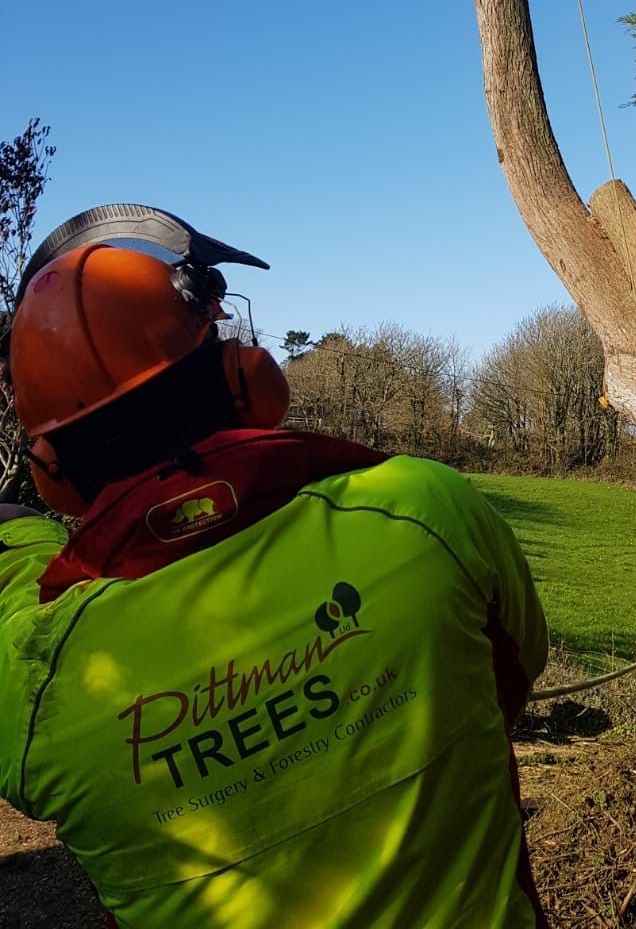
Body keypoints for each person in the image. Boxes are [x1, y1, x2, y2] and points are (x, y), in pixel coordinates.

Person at [0, 204, 548, 929]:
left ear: (52, 475)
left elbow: (19, 584)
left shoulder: (33, 684)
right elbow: (515, 669)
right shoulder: (425, 512)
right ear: (243, 376)